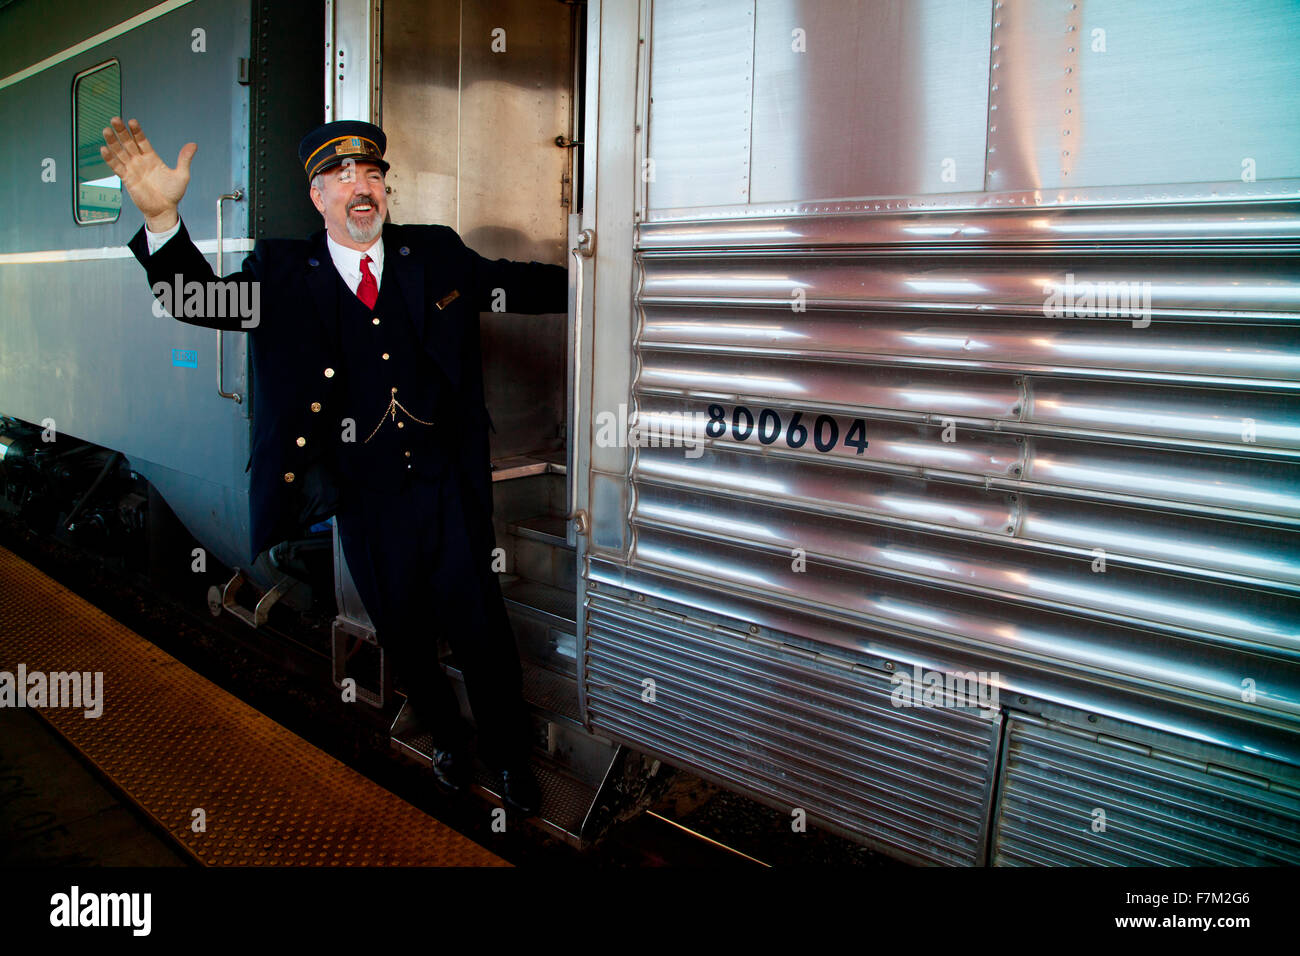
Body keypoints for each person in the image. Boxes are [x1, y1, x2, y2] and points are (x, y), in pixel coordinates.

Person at [101, 116, 567, 816]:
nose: (363, 187)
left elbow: (518, 286)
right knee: (404, 629)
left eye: (374, 175)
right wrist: (164, 222)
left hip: (447, 485)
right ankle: (447, 739)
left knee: (480, 627)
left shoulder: (434, 255)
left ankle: (507, 757)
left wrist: (606, 272)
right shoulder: (282, 271)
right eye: (344, 177)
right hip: (366, 494)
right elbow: (196, 299)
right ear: (317, 196)